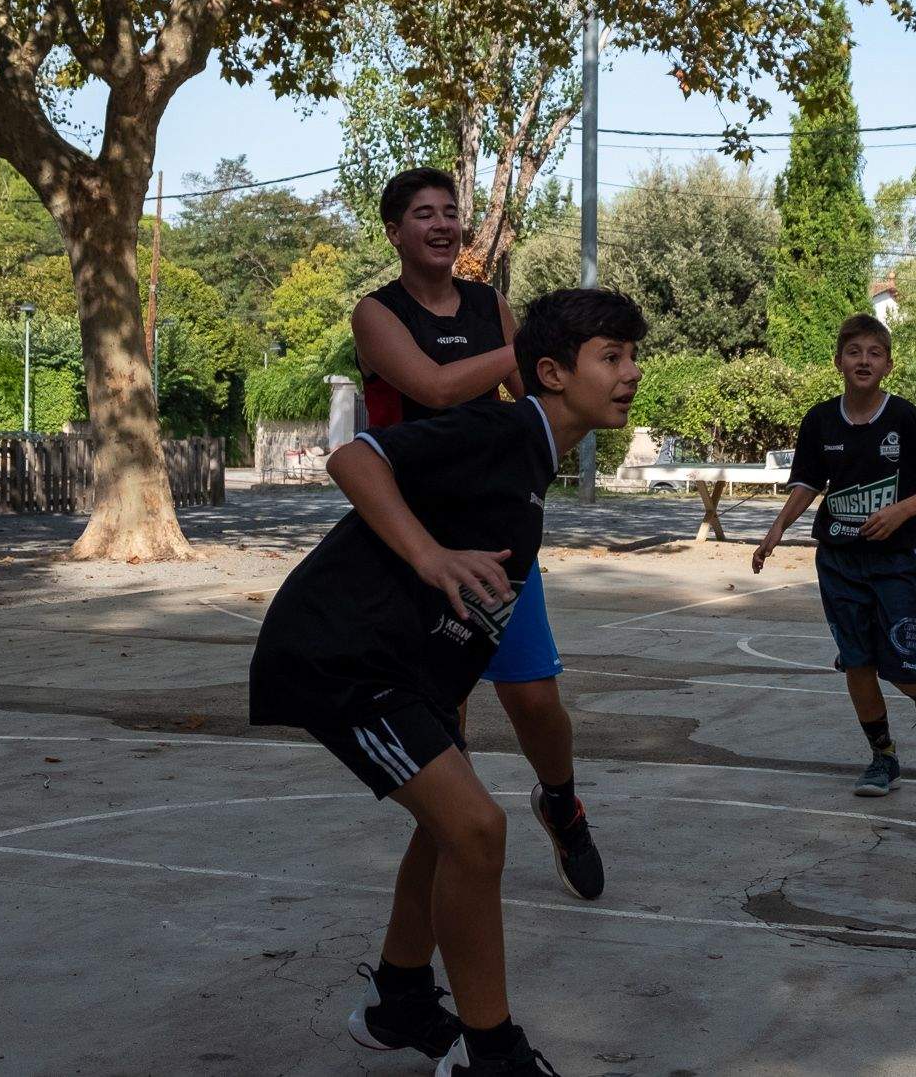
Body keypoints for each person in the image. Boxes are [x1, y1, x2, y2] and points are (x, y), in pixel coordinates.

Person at [249, 287, 643, 1076]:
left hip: (401, 665)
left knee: (449, 826)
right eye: (612, 356)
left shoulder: (534, 460)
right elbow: (352, 455)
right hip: (343, 659)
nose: (631, 372)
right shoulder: (502, 430)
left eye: (634, 356)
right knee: (477, 829)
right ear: (552, 372)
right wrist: (429, 555)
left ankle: (398, 1001)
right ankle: (490, 1054)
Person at [351, 167, 604, 904]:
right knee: (443, 723)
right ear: (395, 231)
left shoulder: (490, 304)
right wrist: (528, 349)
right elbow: (431, 387)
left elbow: (531, 398)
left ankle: (561, 800)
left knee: (533, 701)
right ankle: (447, 852)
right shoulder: (375, 312)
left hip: (492, 531)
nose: (441, 224)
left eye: (450, 212)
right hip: (414, 541)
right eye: (422, 213)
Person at [752, 313, 916, 796]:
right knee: (857, 662)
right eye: (854, 352)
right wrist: (777, 527)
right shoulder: (821, 420)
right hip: (839, 560)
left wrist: (902, 511)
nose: (863, 360)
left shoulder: (905, 419)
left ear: (888, 365)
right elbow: (808, 482)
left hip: (894, 561)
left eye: (874, 352)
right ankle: (883, 758)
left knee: (901, 665)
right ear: (839, 362)